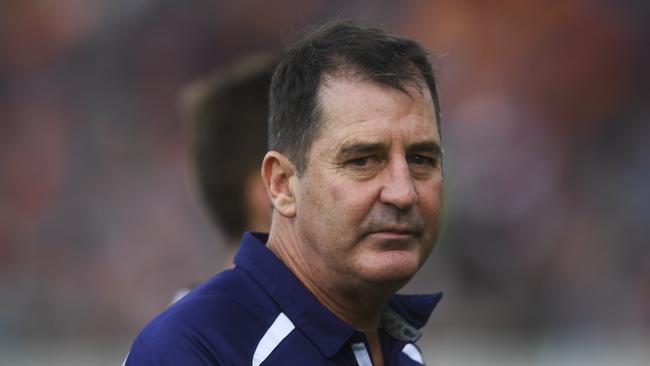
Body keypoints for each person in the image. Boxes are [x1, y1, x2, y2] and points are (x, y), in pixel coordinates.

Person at [124, 20, 444, 365]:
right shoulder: (193, 349)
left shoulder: (401, 350)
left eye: (420, 159)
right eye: (363, 160)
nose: (403, 193)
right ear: (281, 184)